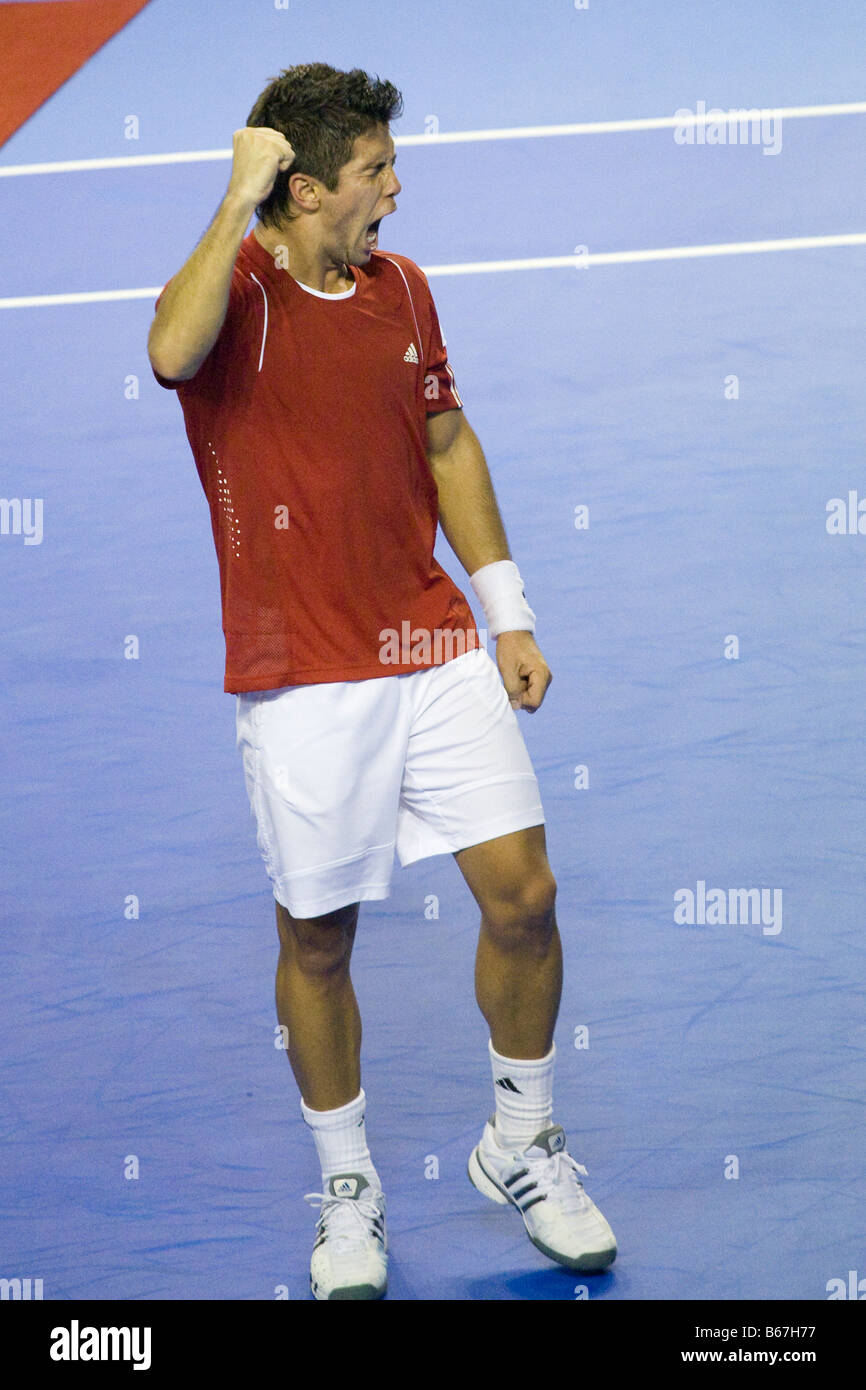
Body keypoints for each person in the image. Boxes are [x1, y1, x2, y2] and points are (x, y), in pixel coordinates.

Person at [147, 62, 616, 1301]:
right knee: (318, 939)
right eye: (373, 172)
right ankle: (348, 1183)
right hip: (301, 674)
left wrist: (505, 611)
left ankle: (520, 1142)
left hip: (428, 644)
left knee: (524, 896)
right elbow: (167, 350)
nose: (395, 192)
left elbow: (444, 441)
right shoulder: (235, 296)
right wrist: (233, 199)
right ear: (304, 190)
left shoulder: (400, 287)